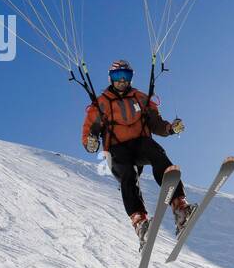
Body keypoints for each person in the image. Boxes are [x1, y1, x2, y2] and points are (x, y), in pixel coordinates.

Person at [82, 60, 195, 247]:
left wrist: (170, 128)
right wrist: (91, 143)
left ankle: (179, 206)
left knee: (158, 155)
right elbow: (89, 132)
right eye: (117, 77)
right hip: (117, 148)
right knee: (128, 174)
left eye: (126, 76)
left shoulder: (141, 98)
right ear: (111, 78)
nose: (122, 81)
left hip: (140, 143)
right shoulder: (100, 104)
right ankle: (140, 221)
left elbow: (156, 123)